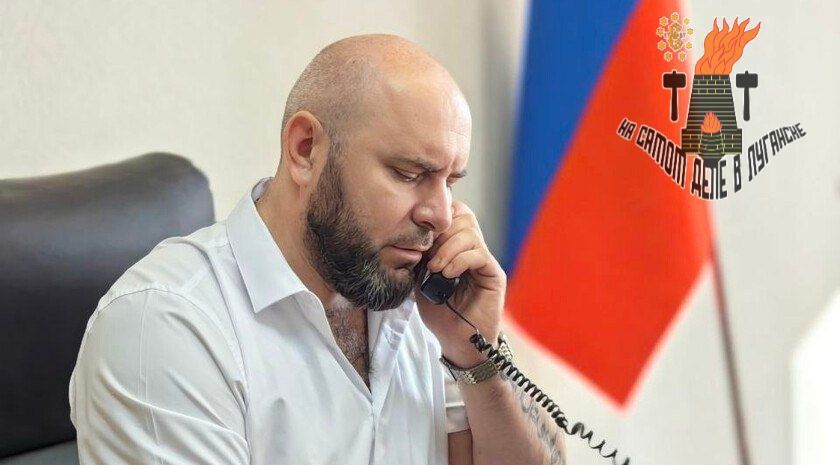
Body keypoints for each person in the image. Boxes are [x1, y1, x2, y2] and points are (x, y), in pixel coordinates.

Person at [70, 34, 564, 465]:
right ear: (305, 149)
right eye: (409, 174)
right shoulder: (165, 325)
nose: (439, 215)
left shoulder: (422, 302)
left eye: (450, 182)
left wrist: (478, 355)